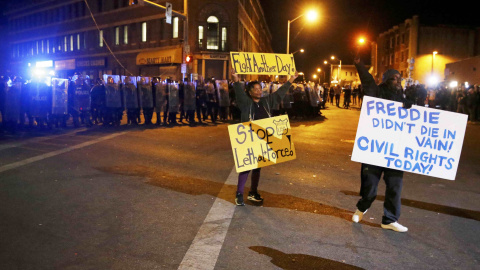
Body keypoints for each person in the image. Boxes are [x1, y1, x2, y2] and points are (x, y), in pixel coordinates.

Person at [352, 56, 414, 232]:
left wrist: (410, 108)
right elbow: (368, 81)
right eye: (394, 78)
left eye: (400, 79)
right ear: (386, 81)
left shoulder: (402, 99)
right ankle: (362, 207)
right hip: (375, 150)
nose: (398, 81)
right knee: (370, 188)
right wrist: (359, 64)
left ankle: (389, 219)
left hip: (395, 151)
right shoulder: (376, 93)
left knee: (395, 186)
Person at [231, 70, 298, 206]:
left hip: (263, 140)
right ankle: (239, 194)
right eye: (255, 89)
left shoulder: (267, 101)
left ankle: (253, 192)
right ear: (249, 92)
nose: (258, 91)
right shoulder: (245, 102)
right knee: (246, 166)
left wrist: (292, 79)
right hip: (249, 138)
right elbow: (239, 93)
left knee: (257, 167)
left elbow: (279, 94)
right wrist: (236, 79)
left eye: (259, 88)